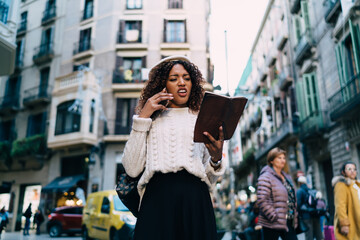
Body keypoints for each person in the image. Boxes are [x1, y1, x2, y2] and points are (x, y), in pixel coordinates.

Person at [122, 55, 226, 240]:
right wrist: (143, 117)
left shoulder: (202, 119)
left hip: (196, 201)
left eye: (186, 78)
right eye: (173, 78)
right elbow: (131, 168)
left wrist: (216, 159)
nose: (181, 83)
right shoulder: (150, 119)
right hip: (157, 200)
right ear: (163, 84)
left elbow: (209, 180)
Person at [256, 147, 298, 240]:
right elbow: (262, 200)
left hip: (288, 221)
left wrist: (295, 216)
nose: (282, 160)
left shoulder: (287, 177)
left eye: (283, 158)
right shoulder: (266, 176)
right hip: (272, 223)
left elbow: (292, 197)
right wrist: (274, 216)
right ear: (271, 160)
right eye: (279, 158)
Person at [332, 161, 360, 240]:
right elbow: (340, 205)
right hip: (351, 221)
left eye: (354, 169)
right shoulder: (341, 185)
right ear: (343, 172)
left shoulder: (356, 184)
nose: (352, 171)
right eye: (349, 169)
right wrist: (344, 224)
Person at [296, 175, 323, 240]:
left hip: (306, 216)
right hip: (315, 214)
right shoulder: (311, 190)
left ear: (299, 183)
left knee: (309, 235)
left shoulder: (300, 191)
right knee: (318, 234)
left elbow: (298, 205)